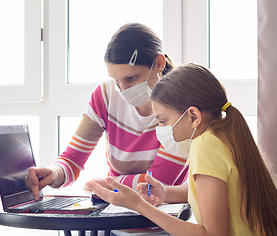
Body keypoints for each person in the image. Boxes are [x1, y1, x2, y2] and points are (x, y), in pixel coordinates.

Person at [85, 63, 277, 236]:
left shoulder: (205, 146)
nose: (161, 129)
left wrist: (139, 205)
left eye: (163, 121)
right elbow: (210, 191)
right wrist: (165, 193)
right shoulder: (223, 138)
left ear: (193, 116)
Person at [25, 23, 189, 201]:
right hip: (114, 211)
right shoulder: (106, 95)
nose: (123, 89)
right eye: (116, 80)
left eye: (131, 78)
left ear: (158, 63)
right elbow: (72, 160)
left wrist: (105, 183)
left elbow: (158, 184)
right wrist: (55, 173)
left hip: (162, 218)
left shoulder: (181, 107)